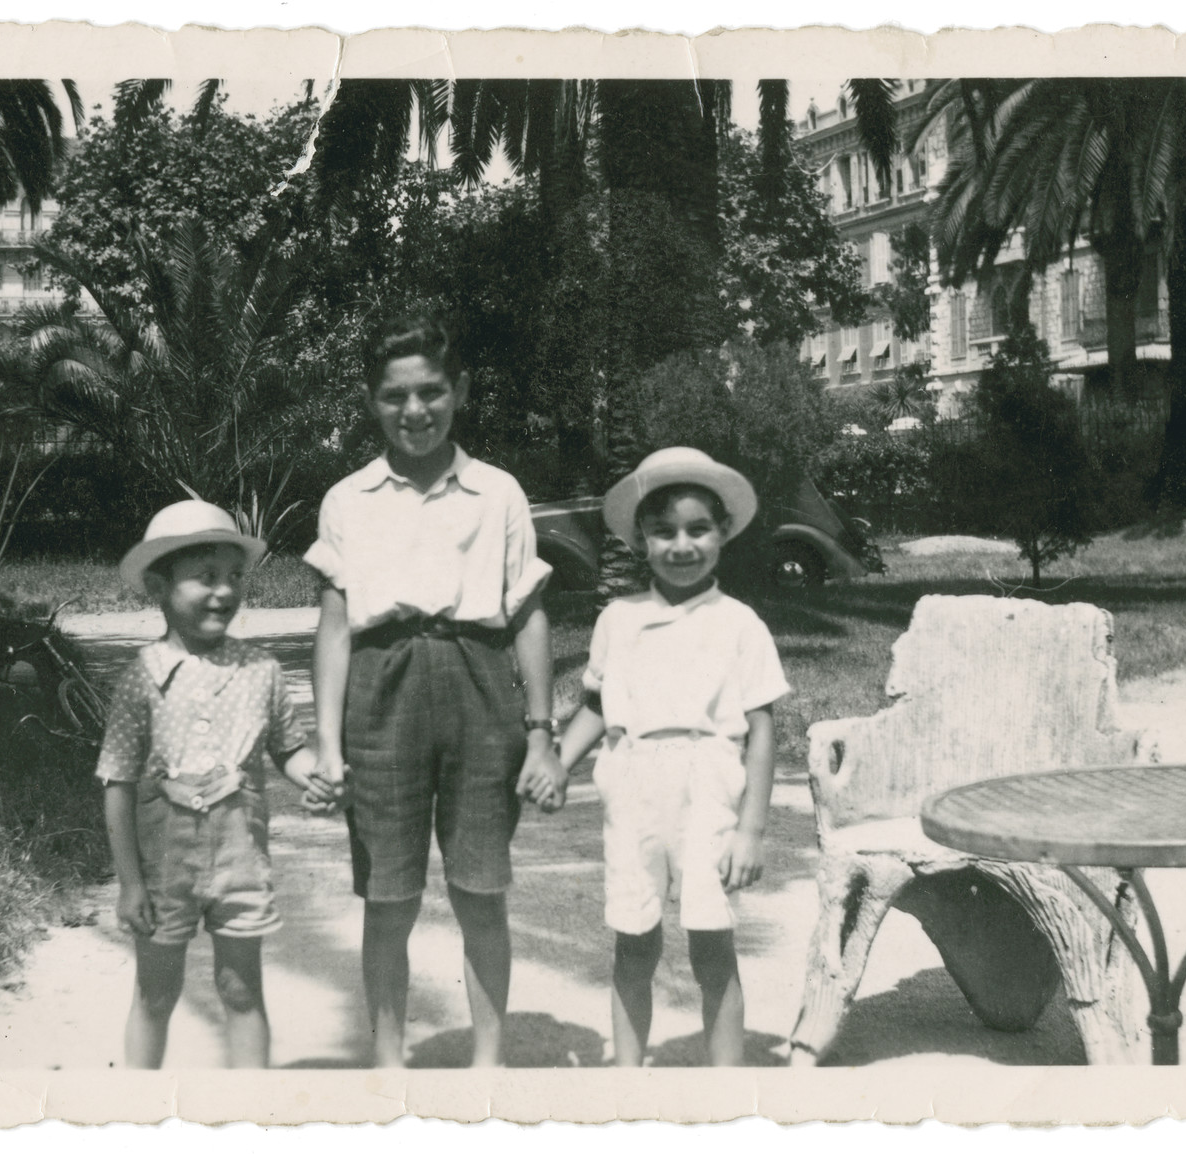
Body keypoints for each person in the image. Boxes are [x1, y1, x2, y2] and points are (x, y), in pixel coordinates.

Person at [306, 312, 562, 1068]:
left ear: (461, 391)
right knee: (389, 897)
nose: (414, 411)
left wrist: (542, 731)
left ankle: (488, 1064)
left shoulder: (499, 493)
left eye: (430, 392)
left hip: (480, 685)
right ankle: (389, 1065)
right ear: (370, 400)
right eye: (394, 397)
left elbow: (528, 613)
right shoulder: (348, 498)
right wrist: (326, 741)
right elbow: (331, 628)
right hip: (380, 691)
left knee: (481, 889)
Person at [553, 447, 789, 1067]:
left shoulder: (740, 624)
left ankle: (728, 1089)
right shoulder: (618, 619)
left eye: (698, 529)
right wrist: (557, 762)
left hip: (708, 790)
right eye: (664, 532)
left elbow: (763, 730)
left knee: (712, 944)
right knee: (633, 942)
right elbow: (598, 707)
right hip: (634, 792)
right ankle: (629, 1083)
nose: (681, 545)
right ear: (640, 540)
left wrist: (751, 830)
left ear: (723, 534)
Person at [97, 499, 340, 1069]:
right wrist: (130, 884)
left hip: (240, 865)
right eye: (205, 577)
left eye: (234, 578)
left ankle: (249, 1117)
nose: (224, 592)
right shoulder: (142, 678)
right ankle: (138, 1116)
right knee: (155, 995)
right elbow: (117, 784)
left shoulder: (262, 671)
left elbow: (289, 748)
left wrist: (315, 777)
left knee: (241, 990)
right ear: (160, 584)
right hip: (164, 871)